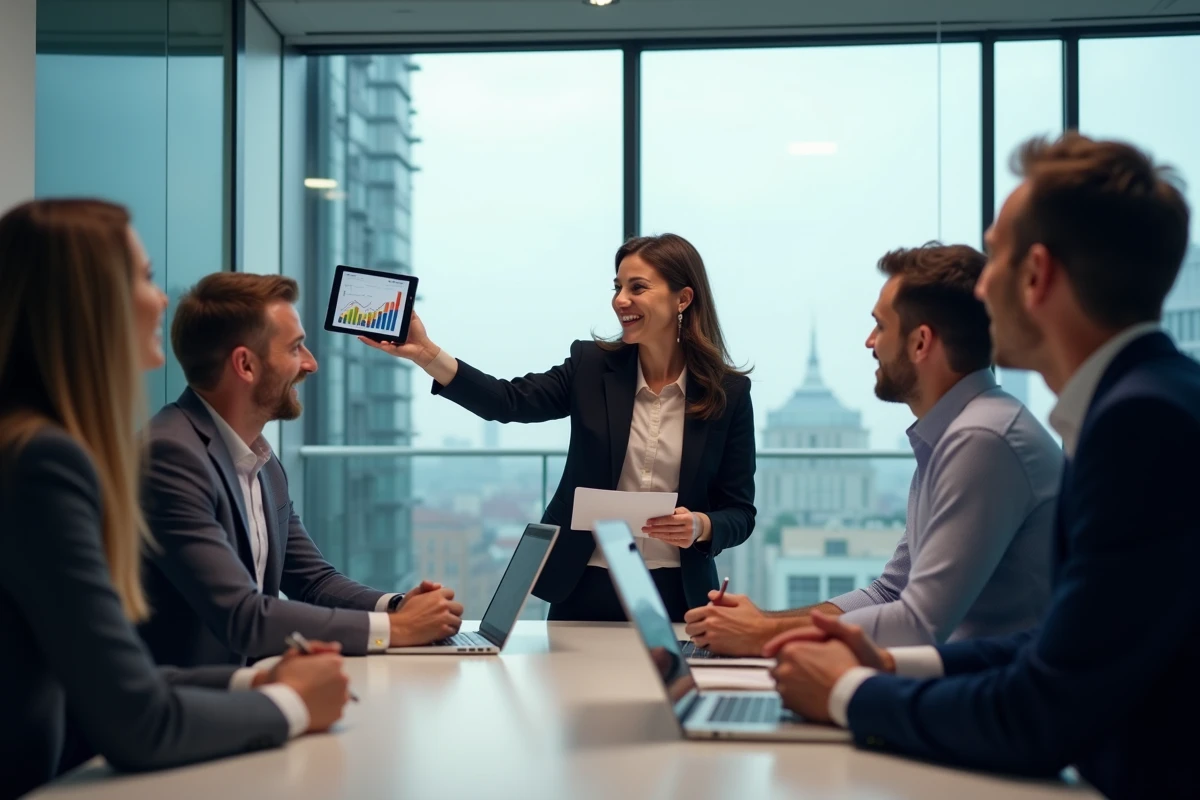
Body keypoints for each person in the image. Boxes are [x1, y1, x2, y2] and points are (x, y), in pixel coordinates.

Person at [766, 133, 1199, 799]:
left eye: (994, 255)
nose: (981, 283)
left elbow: (1041, 713)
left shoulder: (1141, 425)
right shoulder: (1143, 400)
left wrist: (850, 692)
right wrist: (885, 664)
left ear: (1037, 276)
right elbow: (1054, 647)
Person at [0, 199, 351, 799]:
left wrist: (264, 677)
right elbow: (138, 720)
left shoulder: (36, 445)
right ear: (88, 302)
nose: (162, 299)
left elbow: (115, 677)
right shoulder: (45, 463)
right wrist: (292, 703)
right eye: (143, 277)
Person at [684, 243, 1062, 652]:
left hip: (989, 697)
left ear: (920, 344)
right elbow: (889, 591)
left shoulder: (983, 440)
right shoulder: (955, 434)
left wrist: (762, 636)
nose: (869, 342)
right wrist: (761, 621)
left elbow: (918, 624)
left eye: (880, 327)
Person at [362, 233, 755, 622]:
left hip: (677, 595)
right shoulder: (589, 366)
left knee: (669, 688)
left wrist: (700, 526)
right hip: (584, 585)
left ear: (682, 299)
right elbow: (506, 401)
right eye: (617, 287)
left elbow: (739, 512)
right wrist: (426, 353)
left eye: (638, 287)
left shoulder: (728, 393)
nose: (620, 300)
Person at [138, 272, 463, 668]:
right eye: (295, 348)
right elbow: (243, 615)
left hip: (251, 689)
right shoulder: (171, 455)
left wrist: (397, 607)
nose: (311, 364)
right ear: (245, 365)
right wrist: (399, 630)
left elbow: (313, 582)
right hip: (193, 706)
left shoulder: (261, 460)